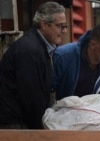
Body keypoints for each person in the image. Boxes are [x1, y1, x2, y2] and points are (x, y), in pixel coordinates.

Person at [0, 1, 67, 129]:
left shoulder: (40, 47)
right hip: (14, 125)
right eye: (60, 26)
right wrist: (41, 130)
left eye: (65, 26)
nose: (64, 31)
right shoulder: (29, 51)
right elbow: (31, 98)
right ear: (44, 25)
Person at [53, 24, 100, 100]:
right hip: (59, 110)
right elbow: (46, 91)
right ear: (93, 44)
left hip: (97, 111)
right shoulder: (63, 56)